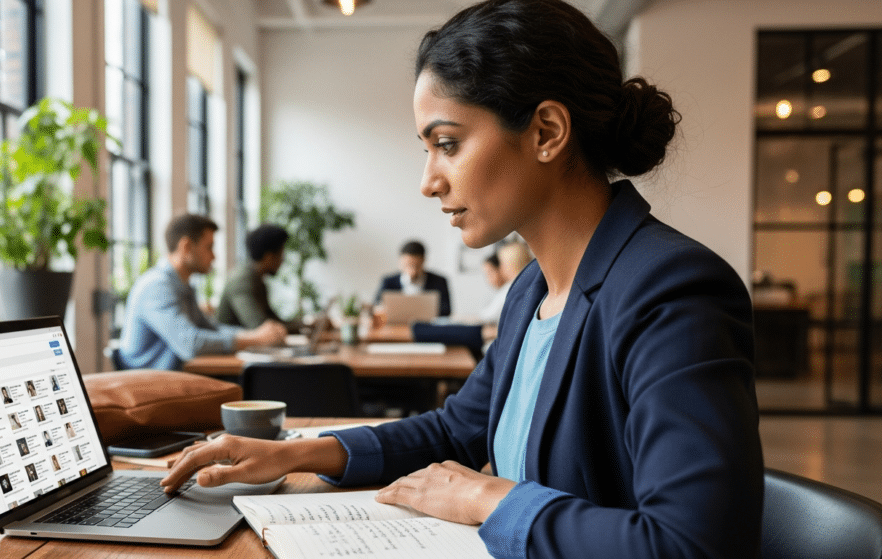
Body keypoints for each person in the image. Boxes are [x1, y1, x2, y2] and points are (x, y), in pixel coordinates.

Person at [160, 1, 763, 557]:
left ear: (547, 132)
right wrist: (293, 453)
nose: (429, 180)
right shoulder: (533, 291)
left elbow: (692, 545)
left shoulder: (671, 288)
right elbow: (458, 429)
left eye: (447, 143)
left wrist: (484, 499)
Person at [120, 214, 288, 370]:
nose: (214, 256)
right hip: (147, 385)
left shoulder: (182, 285)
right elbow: (189, 343)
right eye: (209, 247)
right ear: (186, 247)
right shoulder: (157, 286)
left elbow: (210, 328)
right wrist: (254, 339)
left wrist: (255, 334)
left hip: (173, 378)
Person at [217, 223, 304, 333]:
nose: (283, 260)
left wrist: (307, 326)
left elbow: (273, 321)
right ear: (268, 256)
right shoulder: (242, 281)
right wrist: (304, 328)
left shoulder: (257, 280)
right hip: (231, 350)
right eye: (281, 253)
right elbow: (260, 327)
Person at [374, 240, 451, 317]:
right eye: (408, 265)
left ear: (424, 261)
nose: (413, 271)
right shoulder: (388, 281)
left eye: (417, 265)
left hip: (426, 325)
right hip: (395, 326)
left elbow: (446, 310)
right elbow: (377, 305)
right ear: (400, 261)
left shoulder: (439, 281)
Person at [479, 242, 532, 324]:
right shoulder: (525, 285)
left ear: (511, 265)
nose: (500, 269)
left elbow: (488, 316)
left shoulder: (512, 289)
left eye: (502, 264)